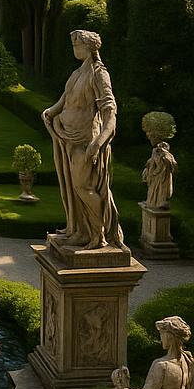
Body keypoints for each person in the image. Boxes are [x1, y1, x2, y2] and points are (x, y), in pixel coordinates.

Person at [42, 29, 125, 250]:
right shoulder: (77, 73)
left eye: (76, 44)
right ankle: (80, 231)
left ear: (88, 46)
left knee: (83, 187)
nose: (74, 47)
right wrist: (51, 111)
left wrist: (99, 142)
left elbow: (110, 111)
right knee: (72, 187)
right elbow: (66, 100)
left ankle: (98, 235)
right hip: (67, 136)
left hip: (85, 140)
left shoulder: (99, 74)